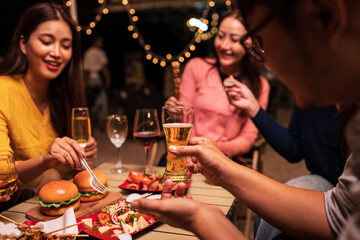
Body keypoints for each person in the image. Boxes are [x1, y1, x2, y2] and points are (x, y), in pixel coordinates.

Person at [131, 0, 360, 239]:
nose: (263, 59)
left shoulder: (264, 85)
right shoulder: (337, 104)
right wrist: (205, 206)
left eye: (258, 42)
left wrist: (249, 115)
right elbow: (339, 212)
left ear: (325, 16)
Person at [0, 2, 98, 199]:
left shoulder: (65, 91)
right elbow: (2, 172)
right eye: (46, 41)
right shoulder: (4, 90)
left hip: (65, 198)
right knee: (50, 175)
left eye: (66, 46)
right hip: (16, 202)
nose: (57, 53)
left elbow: (77, 171)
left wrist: (84, 154)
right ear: (23, 44)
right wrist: (46, 161)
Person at [164, 9, 270, 163]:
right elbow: (185, 120)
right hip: (188, 152)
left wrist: (210, 150)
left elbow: (247, 138)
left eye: (234, 40)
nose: (224, 45)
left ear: (249, 44)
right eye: (220, 36)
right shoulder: (196, 67)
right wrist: (175, 115)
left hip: (226, 158)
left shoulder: (260, 85)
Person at [225, 76, 345, 189]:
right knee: (270, 206)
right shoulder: (308, 90)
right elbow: (294, 149)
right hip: (326, 180)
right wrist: (252, 107)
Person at [83, 35, 111, 133]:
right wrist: (108, 80)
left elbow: (85, 70)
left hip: (90, 79)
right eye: (100, 40)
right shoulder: (100, 52)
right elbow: (104, 68)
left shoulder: (87, 52)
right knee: (102, 101)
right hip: (98, 78)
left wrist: (85, 81)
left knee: (92, 101)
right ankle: (100, 124)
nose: (101, 43)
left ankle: (94, 124)